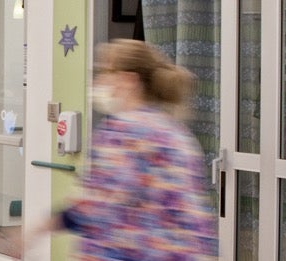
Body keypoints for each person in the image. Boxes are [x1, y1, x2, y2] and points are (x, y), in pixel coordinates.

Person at [25, 39, 217, 260]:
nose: (99, 81)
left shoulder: (121, 133)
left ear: (128, 80)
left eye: (105, 73)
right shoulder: (177, 134)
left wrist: (34, 231)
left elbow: (93, 207)